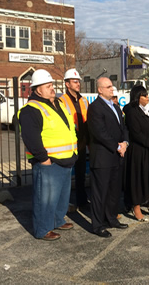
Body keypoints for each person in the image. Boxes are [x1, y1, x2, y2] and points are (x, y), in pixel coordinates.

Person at [18, 69, 78, 241]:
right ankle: (42, 229)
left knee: (60, 198)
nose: (52, 88)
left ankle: (57, 220)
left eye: (52, 85)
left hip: (65, 160)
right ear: (38, 90)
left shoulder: (57, 104)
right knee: (45, 200)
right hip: (49, 163)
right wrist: (44, 159)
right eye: (48, 86)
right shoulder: (32, 109)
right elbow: (30, 138)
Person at [87, 77, 129, 238]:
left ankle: (111, 218)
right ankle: (98, 225)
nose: (113, 89)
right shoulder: (95, 108)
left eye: (112, 86)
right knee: (100, 192)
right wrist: (118, 146)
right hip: (103, 157)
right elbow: (100, 133)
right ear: (100, 90)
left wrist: (125, 142)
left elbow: (123, 128)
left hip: (117, 156)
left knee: (114, 191)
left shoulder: (116, 107)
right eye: (109, 86)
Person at [124, 85, 149, 221]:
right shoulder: (131, 112)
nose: (148, 97)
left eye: (147, 95)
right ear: (137, 97)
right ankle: (136, 208)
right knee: (138, 179)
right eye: (144, 95)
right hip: (139, 151)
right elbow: (136, 133)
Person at [60, 68, 89, 210]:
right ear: (67, 84)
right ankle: (64, 204)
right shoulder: (61, 101)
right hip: (69, 143)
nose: (78, 84)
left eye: (78, 81)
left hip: (82, 142)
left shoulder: (83, 100)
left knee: (81, 174)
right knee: (65, 177)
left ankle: (82, 202)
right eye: (74, 81)